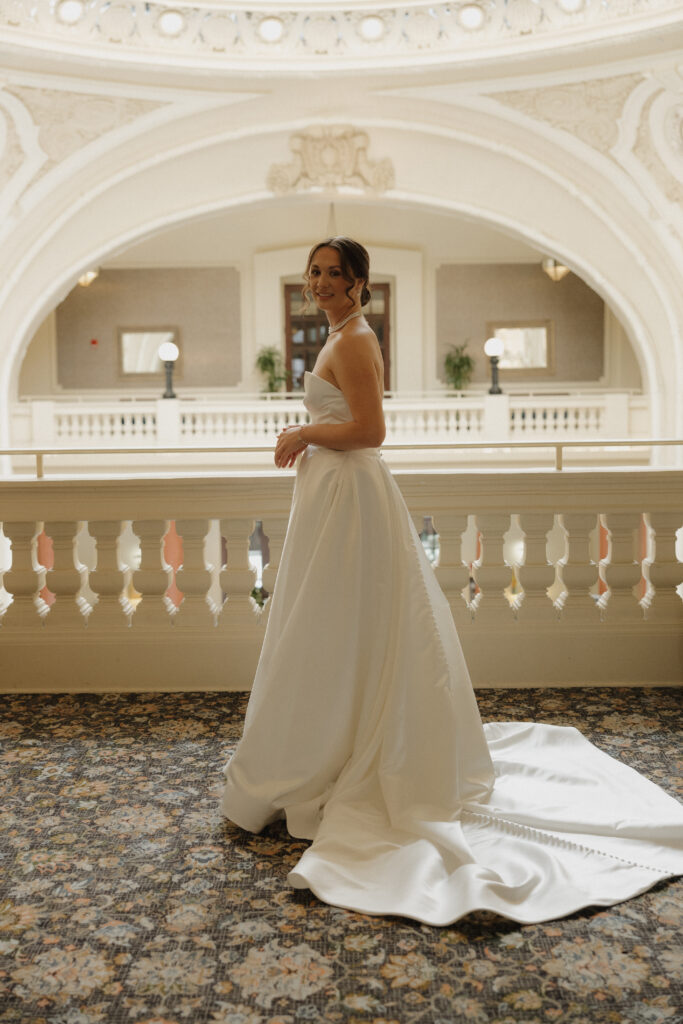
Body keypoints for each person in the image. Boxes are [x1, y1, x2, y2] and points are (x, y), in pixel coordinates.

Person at [221, 237, 683, 926]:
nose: (319, 282)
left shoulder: (352, 341)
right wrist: (312, 438)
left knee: (337, 621)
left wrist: (305, 435)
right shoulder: (345, 333)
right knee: (332, 621)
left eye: (333, 274)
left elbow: (371, 430)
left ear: (357, 284)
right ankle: (330, 741)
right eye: (313, 272)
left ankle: (336, 748)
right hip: (337, 492)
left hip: (350, 489)